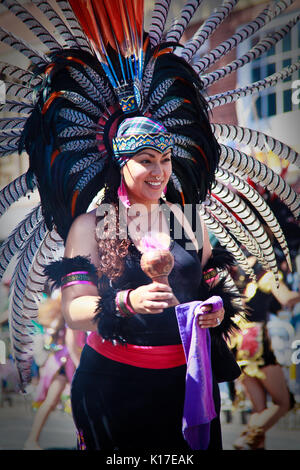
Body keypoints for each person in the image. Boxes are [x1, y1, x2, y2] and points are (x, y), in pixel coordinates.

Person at [231, 257, 300, 450]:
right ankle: (246, 438)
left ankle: (251, 442)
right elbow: (286, 299)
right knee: (283, 402)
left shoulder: (238, 279)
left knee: (259, 409)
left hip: (238, 345)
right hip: (257, 343)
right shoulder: (268, 275)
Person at [23, 294, 85, 450]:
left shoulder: (68, 313)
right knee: (55, 403)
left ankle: (32, 440)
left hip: (68, 363)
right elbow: (64, 342)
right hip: (63, 364)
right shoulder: (63, 315)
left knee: (76, 405)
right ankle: (31, 441)